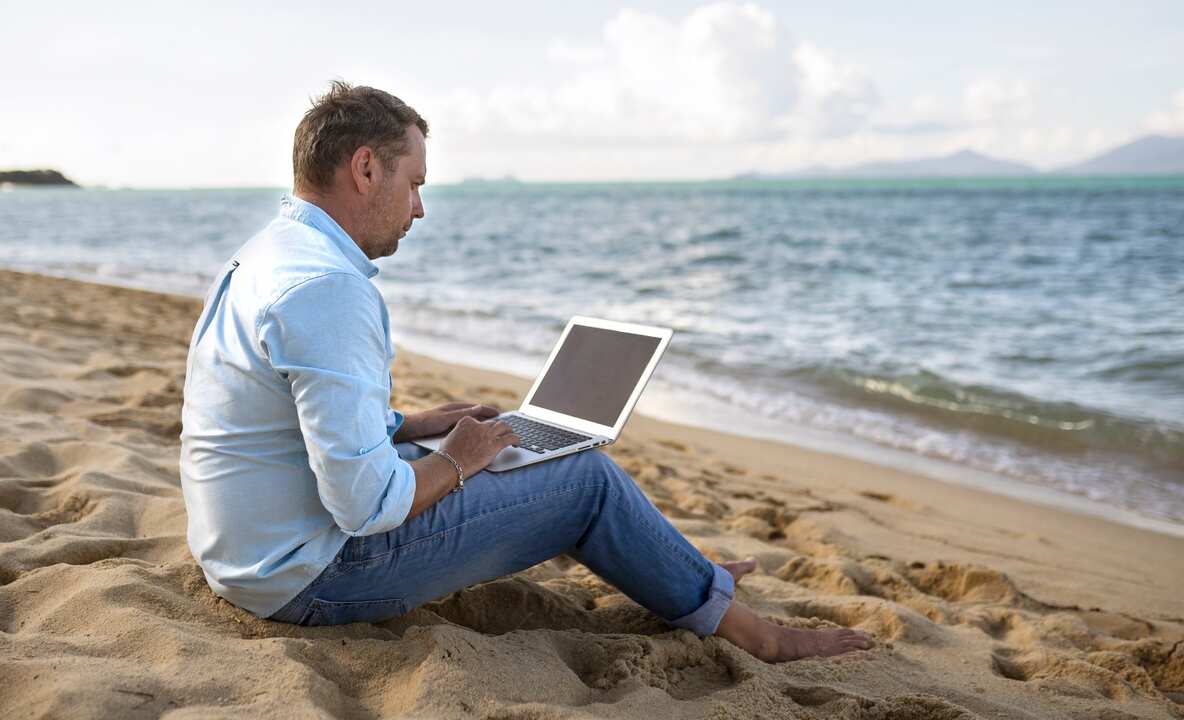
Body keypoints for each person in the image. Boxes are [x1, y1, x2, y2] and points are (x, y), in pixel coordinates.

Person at [178, 81, 873, 663]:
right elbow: (365, 507)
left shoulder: (272, 253)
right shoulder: (328, 288)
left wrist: (413, 427)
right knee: (585, 481)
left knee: (497, 452)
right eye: (414, 183)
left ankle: (684, 574)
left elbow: (289, 418)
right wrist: (455, 461)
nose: (419, 207)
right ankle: (760, 637)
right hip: (309, 578)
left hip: (246, 555)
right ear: (366, 169)